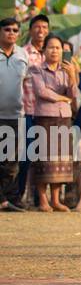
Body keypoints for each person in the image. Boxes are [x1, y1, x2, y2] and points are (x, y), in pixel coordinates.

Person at [24, 35, 75, 211]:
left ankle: (55, 200)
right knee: (43, 159)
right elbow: (41, 92)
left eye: (58, 48)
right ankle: (43, 200)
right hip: (44, 117)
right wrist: (62, 97)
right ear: (44, 50)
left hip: (64, 117)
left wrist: (73, 77)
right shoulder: (36, 69)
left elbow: (74, 95)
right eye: (51, 47)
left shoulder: (67, 69)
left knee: (60, 160)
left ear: (63, 51)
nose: (54, 51)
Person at [0, 17, 28, 212]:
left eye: (15, 30)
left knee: (11, 163)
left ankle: (6, 199)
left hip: (17, 116)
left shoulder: (23, 54)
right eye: (7, 29)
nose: (11, 32)